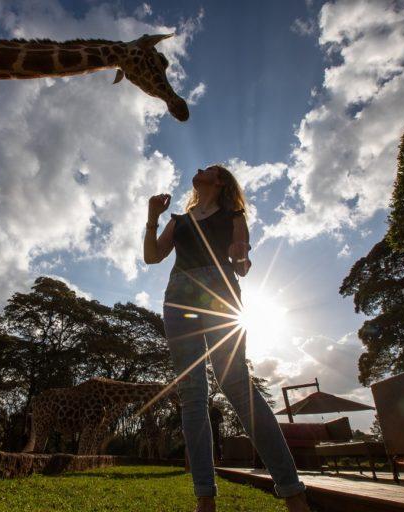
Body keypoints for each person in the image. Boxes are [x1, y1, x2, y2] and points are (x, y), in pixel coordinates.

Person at [143, 165, 310, 512]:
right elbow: (152, 257)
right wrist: (152, 218)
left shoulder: (234, 214)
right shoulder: (180, 219)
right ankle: (205, 497)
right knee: (192, 393)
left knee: (234, 382)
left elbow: (242, 266)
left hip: (220, 293)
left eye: (208, 169)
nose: (199, 170)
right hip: (179, 298)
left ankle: (292, 491)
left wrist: (240, 252)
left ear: (219, 182)